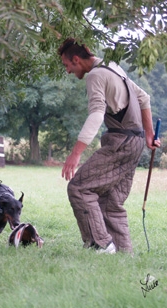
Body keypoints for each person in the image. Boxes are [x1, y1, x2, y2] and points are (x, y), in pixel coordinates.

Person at [57, 38, 161, 254]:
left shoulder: (95, 75)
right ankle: (124, 254)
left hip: (121, 142)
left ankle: (102, 245)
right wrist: (149, 135)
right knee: (111, 200)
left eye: (67, 65)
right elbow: (144, 97)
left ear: (76, 59)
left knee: (79, 188)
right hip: (136, 141)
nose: (67, 71)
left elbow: (96, 115)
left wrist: (75, 154)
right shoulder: (111, 66)